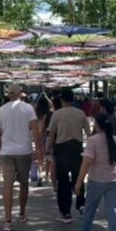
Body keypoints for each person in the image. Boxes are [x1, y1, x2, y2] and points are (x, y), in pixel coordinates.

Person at [0, 83, 42, 231]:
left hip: (7, 151)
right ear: (20, 93)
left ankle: (8, 220)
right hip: (24, 151)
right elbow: (35, 129)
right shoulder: (28, 109)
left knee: (7, 185)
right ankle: (21, 212)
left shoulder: (1, 110)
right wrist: (38, 148)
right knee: (23, 183)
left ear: (9, 94)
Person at [73, 114, 116, 231]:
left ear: (97, 125)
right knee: (113, 211)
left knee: (90, 208)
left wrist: (79, 181)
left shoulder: (93, 140)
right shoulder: (114, 139)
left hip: (97, 179)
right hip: (114, 179)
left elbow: (87, 162)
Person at [47, 89, 90, 223]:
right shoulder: (80, 113)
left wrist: (47, 149)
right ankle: (81, 203)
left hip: (62, 149)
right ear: (73, 99)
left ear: (62, 100)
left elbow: (51, 134)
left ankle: (65, 212)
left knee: (63, 181)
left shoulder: (57, 114)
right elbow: (88, 133)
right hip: (77, 147)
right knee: (78, 177)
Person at [34, 93, 53, 186]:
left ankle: (40, 173)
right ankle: (47, 175)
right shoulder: (50, 114)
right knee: (48, 158)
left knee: (40, 158)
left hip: (38, 136)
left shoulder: (36, 113)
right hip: (48, 136)